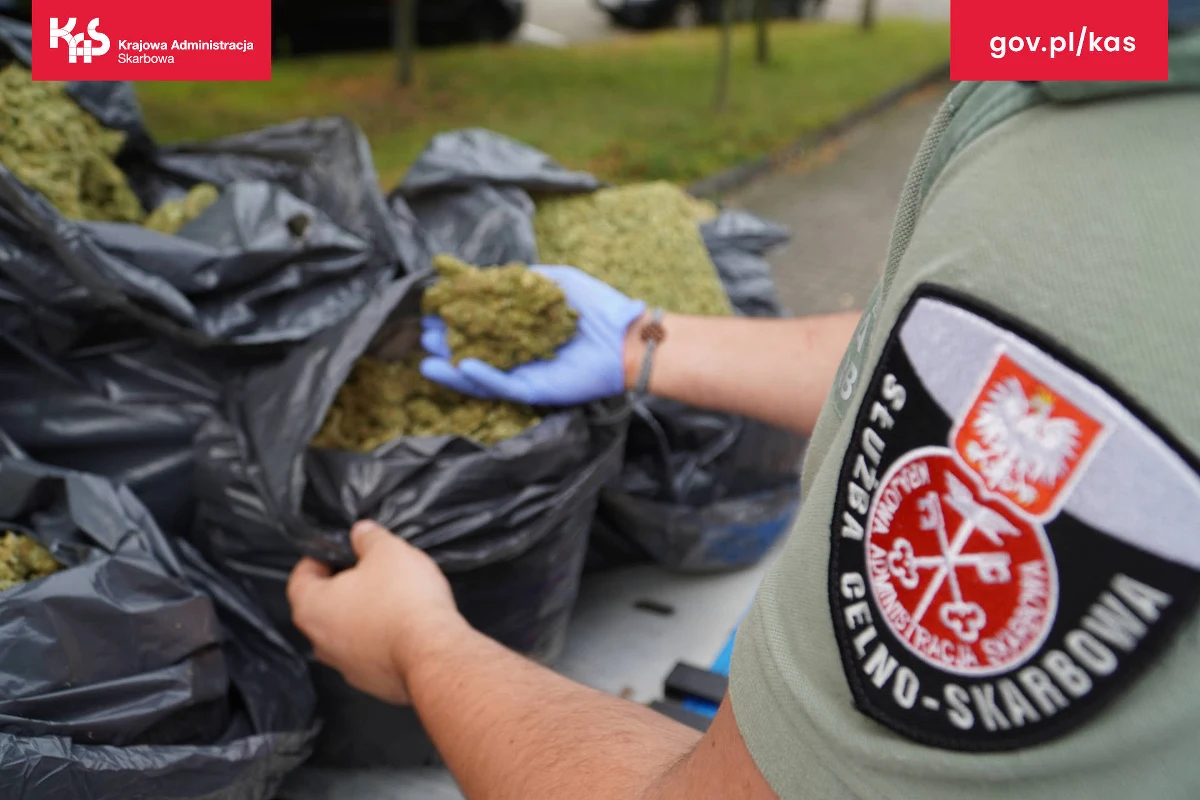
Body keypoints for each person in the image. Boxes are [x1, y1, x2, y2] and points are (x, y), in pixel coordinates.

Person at [286, 17, 1200, 800]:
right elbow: (964, 374)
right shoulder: (1109, 66)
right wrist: (641, 346)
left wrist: (421, 648)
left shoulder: (1120, 193)